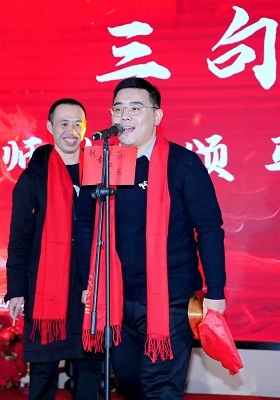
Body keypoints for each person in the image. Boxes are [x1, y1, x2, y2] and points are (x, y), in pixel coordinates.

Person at [75, 78, 226, 400]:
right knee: (130, 385)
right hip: (116, 296)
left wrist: (216, 290)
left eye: (135, 108)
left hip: (170, 297)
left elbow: (209, 228)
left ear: (157, 116)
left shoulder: (183, 163)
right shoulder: (102, 161)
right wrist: (89, 280)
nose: (125, 116)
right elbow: (86, 223)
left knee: (160, 388)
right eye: (118, 108)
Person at [4, 98, 103, 400]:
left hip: (89, 286)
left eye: (77, 124)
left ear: (85, 128)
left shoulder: (100, 171)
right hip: (45, 288)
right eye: (64, 123)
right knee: (44, 370)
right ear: (50, 127)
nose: (71, 131)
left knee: (89, 370)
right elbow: (19, 239)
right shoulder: (34, 176)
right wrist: (16, 289)